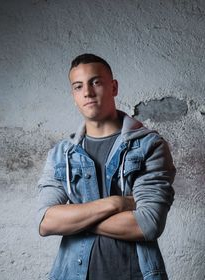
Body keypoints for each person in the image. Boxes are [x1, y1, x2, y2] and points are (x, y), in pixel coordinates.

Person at [36, 53, 176, 280]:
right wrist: (116, 203)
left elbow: (147, 224)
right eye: (78, 86)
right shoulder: (61, 154)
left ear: (114, 87)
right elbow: (45, 222)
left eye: (96, 82)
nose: (88, 92)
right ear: (73, 95)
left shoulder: (150, 145)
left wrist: (72, 219)